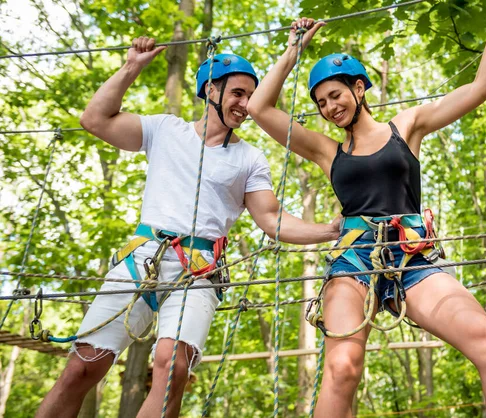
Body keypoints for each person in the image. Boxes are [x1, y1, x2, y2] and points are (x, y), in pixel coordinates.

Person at [247, 1, 486, 416]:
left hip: (413, 255)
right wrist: (293, 50)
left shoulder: (406, 127)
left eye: (336, 94)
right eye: (321, 102)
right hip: (353, 257)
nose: (330, 107)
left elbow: (483, 86)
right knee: (342, 368)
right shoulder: (328, 151)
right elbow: (258, 108)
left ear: (359, 88)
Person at [36, 37, 339, 418]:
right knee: (82, 366)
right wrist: (132, 67)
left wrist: (329, 230)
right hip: (143, 258)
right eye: (238, 93)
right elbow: (94, 120)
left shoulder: (250, 158)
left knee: (172, 368)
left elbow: (271, 220)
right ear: (210, 89)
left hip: (199, 270)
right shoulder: (165, 130)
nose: (246, 105)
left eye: (251, 96)